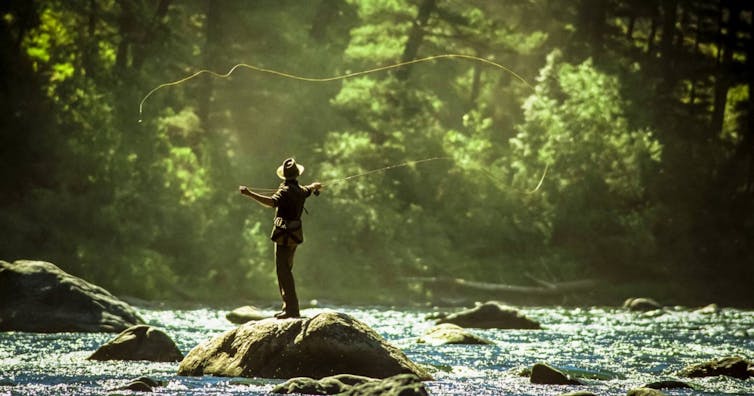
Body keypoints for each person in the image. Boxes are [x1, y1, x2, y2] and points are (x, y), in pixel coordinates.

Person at [239, 158, 322, 319]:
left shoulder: (284, 191)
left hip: (283, 235)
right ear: (297, 174)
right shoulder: (301, 190)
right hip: (295, 235)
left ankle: (291, 309)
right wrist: (315, 186)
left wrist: (249, 194)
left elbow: (271, 202)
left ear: (284, 175)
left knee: (283, 271)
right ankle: (289, 307)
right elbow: (309, 189)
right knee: (286, 270)